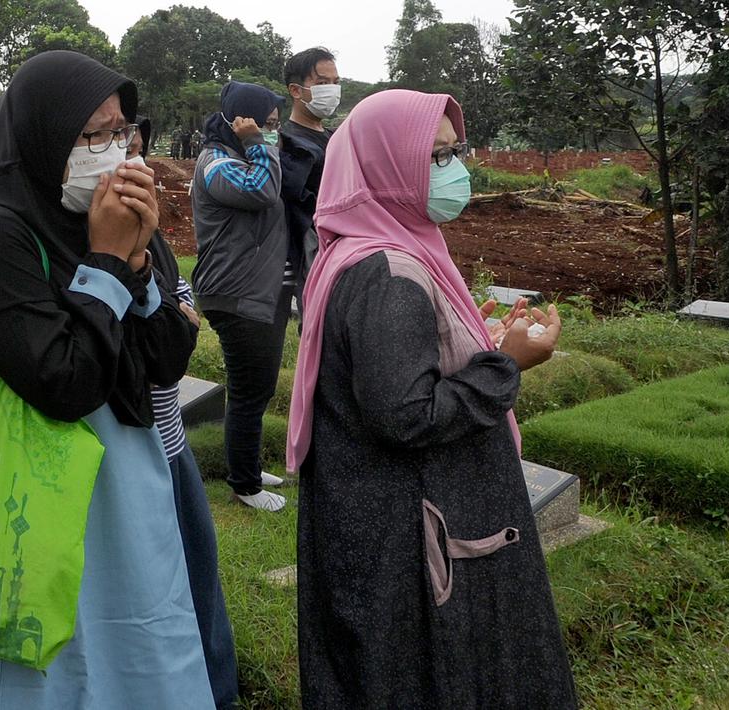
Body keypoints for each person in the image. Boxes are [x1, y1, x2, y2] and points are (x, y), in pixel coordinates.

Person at [0, 51, 215, 707]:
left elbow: (165, 362)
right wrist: (106, 264)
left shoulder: (119, 221)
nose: (113, 151)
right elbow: (65, 383)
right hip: (28, 504)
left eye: (121, 131)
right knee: (44, 670)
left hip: (125, 495)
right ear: (42, 134)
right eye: (92, 135)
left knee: (136, 643)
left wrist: (141, 261)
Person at [286, 89, 577, 708]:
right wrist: (506, 365)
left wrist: (479, 344)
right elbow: (406, 415)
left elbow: (401, 366)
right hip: (411, 531)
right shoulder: (390, 274)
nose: (455, 172)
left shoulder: (371, 246)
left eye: (454, 153)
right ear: (388, 167)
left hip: (385, 519)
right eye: (437, 157)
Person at [126, 116, 240, 709]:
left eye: (136, 149)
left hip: (169, 447)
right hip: (120, 461)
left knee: (197, 583)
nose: (130, 163)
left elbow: (174, 341)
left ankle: (216, 696)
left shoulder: (152, 243)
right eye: (107, 145)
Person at [191, 81, 290, 512]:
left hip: (252, 290)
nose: (271, 133)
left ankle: (246, 465)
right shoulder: (216, 163)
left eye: (273, 126)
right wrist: (257, 144)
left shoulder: (237, 155)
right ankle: (245, 486)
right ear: (240, 122)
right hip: (234, 292)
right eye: (264, 124)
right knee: (251, 390)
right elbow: (262, 191)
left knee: (256, 387)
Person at [280, 47, 340, 309]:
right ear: (296, 90)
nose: (332, 89)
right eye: (322, 83)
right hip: (315, 252)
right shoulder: (289, 143)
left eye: (335, 83)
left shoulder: (334, 136)